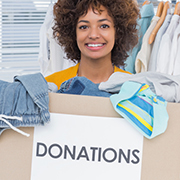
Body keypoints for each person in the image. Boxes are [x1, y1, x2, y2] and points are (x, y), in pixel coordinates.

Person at [45, 0, 140, 90]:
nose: (93, 35)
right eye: (84, 27)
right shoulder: (51, 86)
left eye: (104, 26)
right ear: (73, 33)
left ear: (118, 32)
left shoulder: (134, 88)